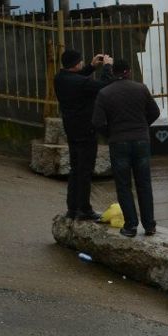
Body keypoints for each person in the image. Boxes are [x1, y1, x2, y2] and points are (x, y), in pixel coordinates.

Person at [92, 57, 161, 237]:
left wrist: (112, 134)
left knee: (123, 185)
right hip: (141, 142)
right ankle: (150, 226)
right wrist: (142, 127)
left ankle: (130, 226)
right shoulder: (141, 88)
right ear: (129, 71)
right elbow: (155, 112)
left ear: (113, 72)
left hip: (119, 143)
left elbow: (97, 122)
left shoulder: (105, 93)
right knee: (144, 184)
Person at [53, 48, 114, 221]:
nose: (82, 63)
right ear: (75, 64)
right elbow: (104, 86)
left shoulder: (59, 78)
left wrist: (91, 66)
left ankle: (72, 209)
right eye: (80, 61)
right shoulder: (79, 83)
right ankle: (85, 209)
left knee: (75, 169)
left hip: (71, 129)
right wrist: (107, 67)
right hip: (86, 130)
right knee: (85, 170)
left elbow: (77, 78)